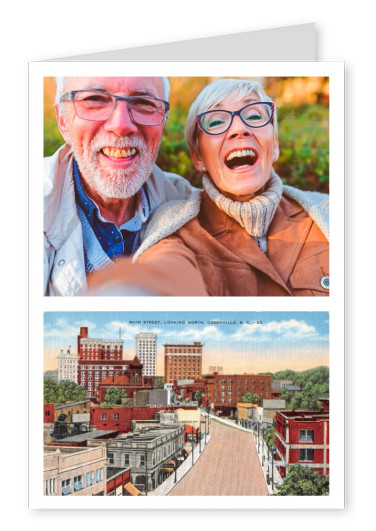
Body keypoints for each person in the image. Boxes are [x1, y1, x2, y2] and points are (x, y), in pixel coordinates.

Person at [87, 78, 329, 296]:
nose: (239, 129)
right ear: (198, 157)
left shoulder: (328, 213)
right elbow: (165, 271)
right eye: (216, 121)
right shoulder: (176, 229)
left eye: (254, 116)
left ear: (274, 144)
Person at [44, 76, 199, 296]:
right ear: (62, 120)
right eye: (95, 99)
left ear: (163, 121)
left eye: (144, 103)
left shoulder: (187, 204)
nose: (121, 126)